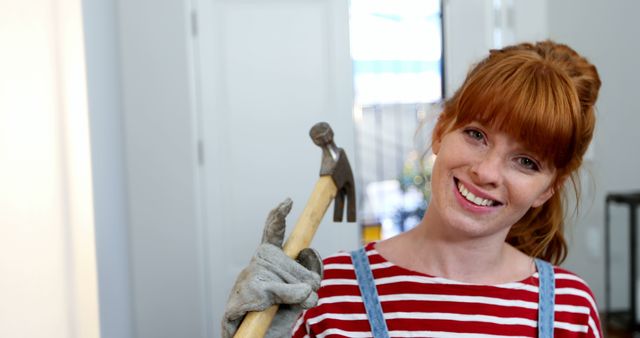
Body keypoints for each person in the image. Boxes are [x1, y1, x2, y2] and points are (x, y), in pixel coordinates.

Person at [223, 40, 602, 338]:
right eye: (476, 134)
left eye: (526, 162)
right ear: (440, 131)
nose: (486, 171)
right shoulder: (325, 292)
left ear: (548, 190)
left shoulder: (570, 311)